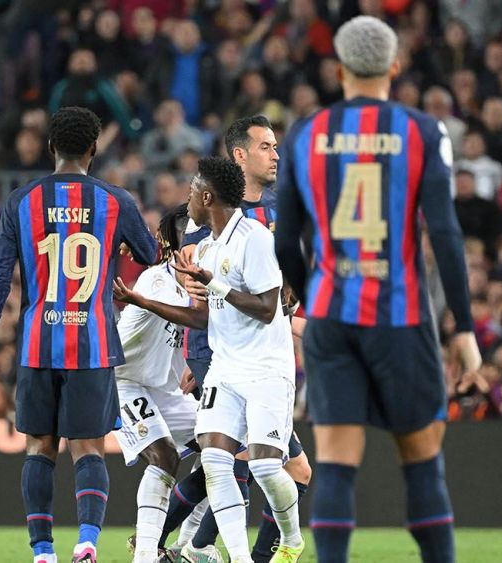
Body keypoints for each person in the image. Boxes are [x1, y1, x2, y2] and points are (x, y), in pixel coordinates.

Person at [273, 17, 481, 563]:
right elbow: (446, 235)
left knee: (337, 462)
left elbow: (285, 244)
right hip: (400, 317)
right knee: (422, 459)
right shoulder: (422, 131)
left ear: (338, 69)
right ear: (395, 66)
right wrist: (463, 326)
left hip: (331, 317)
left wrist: (310, 292)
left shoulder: (304, 134)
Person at [0, 106, 159, 563]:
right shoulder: (116, 201)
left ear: (51, 147)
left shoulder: (22, 201)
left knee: (39, 448)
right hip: (93, 344)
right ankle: (88, 542)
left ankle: (43, 553)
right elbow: (151, 254)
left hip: (38, 344)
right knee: (88, 449)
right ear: (94, 149)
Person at [114, 156, 306, 563]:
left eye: (191, 193)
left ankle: (291, 537)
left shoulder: (253, 237)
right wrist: (140, 301)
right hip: (224, 369)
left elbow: (268, 308)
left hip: (266, 370)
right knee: (216, 462)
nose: (188, 201)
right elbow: (203, 316)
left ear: (206, 196)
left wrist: (211, 281)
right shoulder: (207, 248)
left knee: (267, 469)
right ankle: (234, 557)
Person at [161, 115, 312, 562]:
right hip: (220, 350)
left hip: (259, 347)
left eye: (276, 146)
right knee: (248, 460)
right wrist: (197, 354)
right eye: (266, 147)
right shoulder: (202, 224)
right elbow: (195, 290)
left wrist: (295, 298)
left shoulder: (282, 212)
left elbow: (290, 284)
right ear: (239, 155)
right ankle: (201, 548)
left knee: (236, 459)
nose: (276, 155)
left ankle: (185, 545)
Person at [111, 204, 199, 563]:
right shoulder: (156, 281)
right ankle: (145, 553)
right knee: (163, 455)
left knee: (223, 447)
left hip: (165, 389)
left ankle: (188, 545)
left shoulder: (199, 283)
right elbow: (193, 315)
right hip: (124, 380)